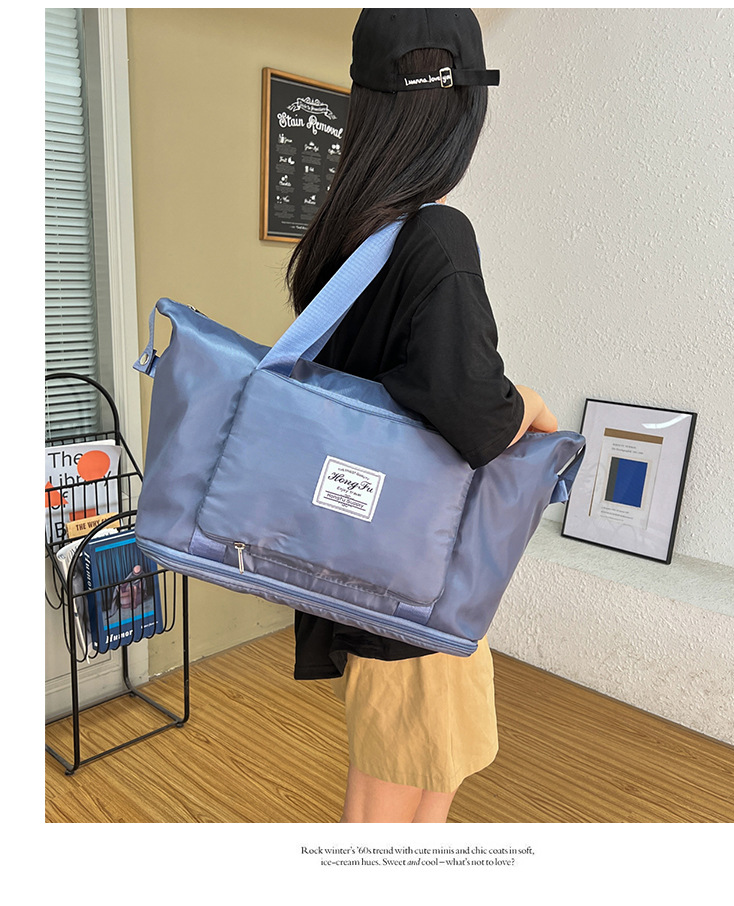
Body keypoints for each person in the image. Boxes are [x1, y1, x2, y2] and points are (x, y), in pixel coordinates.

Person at [285, 8, 557, 823]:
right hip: (419, 580)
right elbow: (475, 413)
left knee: (396, 784)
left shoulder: (344, 240)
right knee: (398, 806)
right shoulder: (436, 235)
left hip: (360, 563)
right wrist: (532, 404)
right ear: (458, 115)